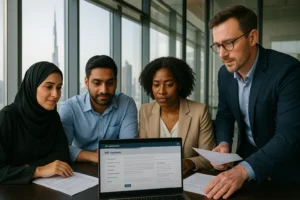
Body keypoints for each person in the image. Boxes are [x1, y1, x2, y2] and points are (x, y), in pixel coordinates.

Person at [204, 5, 300, 199]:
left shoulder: (288, 71)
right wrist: (223, 143)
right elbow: (224, 114)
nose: (222, 54)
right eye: (218, 45)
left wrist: (241, 171)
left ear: (252, 37)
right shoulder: (224, 73)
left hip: (287, 172)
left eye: (229, 43)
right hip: (247, 166)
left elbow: (288, 135)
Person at [139, 56, 215, 175]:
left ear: (180, 85)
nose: (162, 91)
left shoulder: (199, 111)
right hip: (154, 176)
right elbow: (142, 153)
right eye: (156, 85)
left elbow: (209, 157)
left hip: (188, 180)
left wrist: (190, 163)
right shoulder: (145, 111)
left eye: (169, 85)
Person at [0, 62, 73, 184]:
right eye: (49, 87)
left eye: (59, 87)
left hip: (49, 189)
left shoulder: (52, 116)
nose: (56, 94)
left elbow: (63, 154)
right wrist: (38, 170)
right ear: (32, 87)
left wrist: (26, 167)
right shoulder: (8, 117)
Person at [59, 55, 138, 163]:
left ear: (116, 82)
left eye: (110, 83)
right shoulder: (70, 107)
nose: (104, 90)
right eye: (97, 83)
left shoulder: (127, 104)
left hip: (115, 165)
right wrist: (91, 156)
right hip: (80, 168)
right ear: (87, 83)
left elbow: (129, 147)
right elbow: (61, 147)